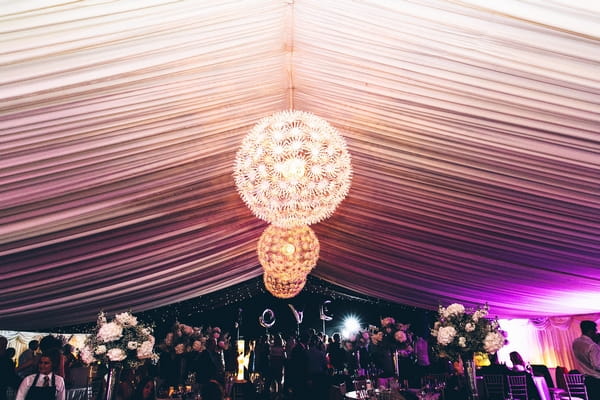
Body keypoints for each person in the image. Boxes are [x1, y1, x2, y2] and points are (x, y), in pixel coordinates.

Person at [572, 320, 600, 399]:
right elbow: (597, 365)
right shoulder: (592, 346)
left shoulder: (576, 342)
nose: (596, 333)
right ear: (590, 331)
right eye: (595, 331)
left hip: (587, 380)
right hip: (597, 380)